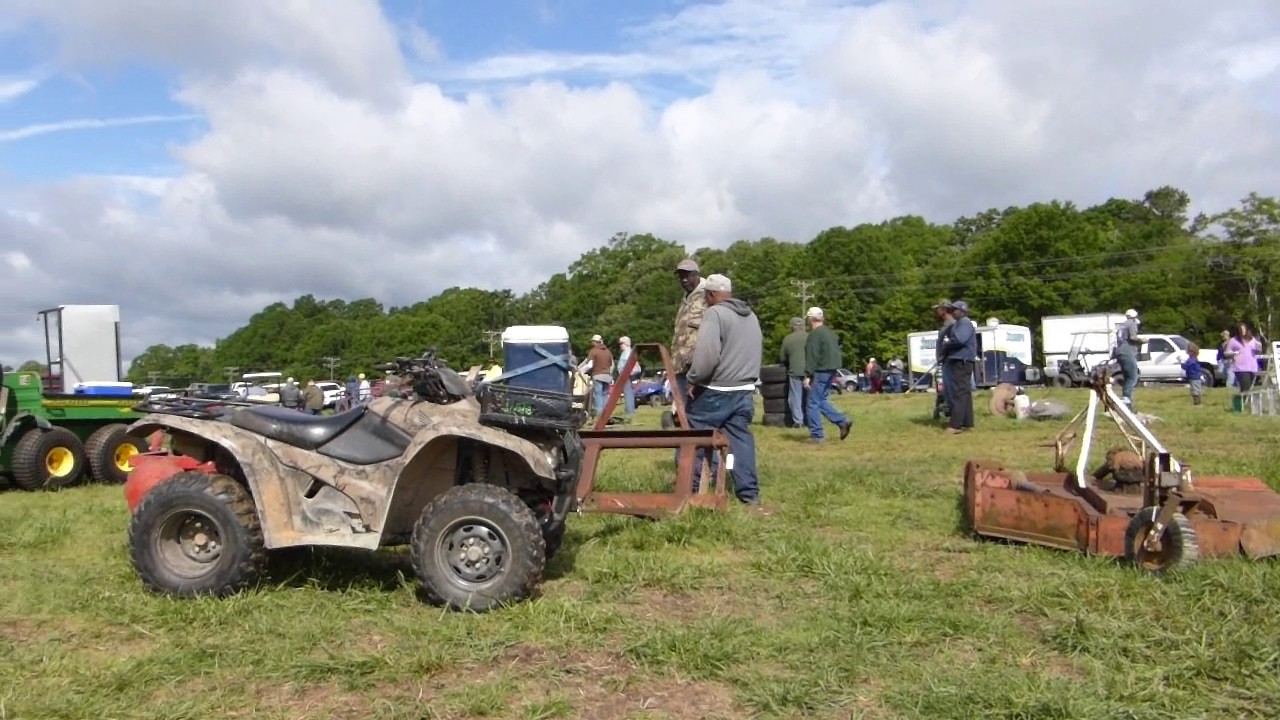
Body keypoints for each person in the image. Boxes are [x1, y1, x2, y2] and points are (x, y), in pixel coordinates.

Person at [685, 274, 764, 508]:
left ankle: (691, 489)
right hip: (744, 389)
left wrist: (693, 379)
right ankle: (749, 494)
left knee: (693, 436)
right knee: (741, 440)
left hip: (717, 389)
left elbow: (707, 355)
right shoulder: (751, 316)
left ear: (710, 295)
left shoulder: (715, 313)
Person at [802, 306, 852, 443]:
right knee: (821, 400)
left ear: (811, 319)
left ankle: (817, 436)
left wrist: (807, 376)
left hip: (820, 370)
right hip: (832, 370)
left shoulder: (814, 335)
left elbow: (812, 356)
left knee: (812, 403)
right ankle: (842, 421)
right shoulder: (830, 333)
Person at [670, 258, 708, 414]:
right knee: (683, 409)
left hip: (699, 364)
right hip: (680, 364)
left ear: (697, 274)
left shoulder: (707, 295)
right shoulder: (685, 299)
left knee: (699, 407)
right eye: (681, 276)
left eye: (688, 275)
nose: (684, 279)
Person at [939, 300, 976, 434]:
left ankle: (956, 425)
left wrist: (947, 344)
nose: (952, 312)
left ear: (962, 311)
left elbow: (960, 340)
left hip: (962, 360)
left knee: (958, 392)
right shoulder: (959, 323)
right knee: (964, 392)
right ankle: (968, 423)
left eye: (954, 310)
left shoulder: (965, 323)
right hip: (960, 360)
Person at [778, 317, 808, 428]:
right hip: (809, 372)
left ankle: (798, 421)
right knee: (809, 397)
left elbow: (782, 357)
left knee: (795, 397)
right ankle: (810, 419)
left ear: (792, 327)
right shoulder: (810, 337)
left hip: (794, 371)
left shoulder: (787, 339)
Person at [578, 334, 615, 416]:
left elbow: (589, 365)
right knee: (605, 395)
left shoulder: (594, 351)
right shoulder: (608, 351)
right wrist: (610, 374)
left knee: (597, 396)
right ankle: (606, 415)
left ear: (595, 342)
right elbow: (612, 364)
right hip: (607, 376)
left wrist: (580, 371)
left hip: (598, 376)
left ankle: (599, 415)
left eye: (592, 342)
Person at [1113, 309, 1143, 408]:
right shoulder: (1132, 324)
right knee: (1133, 377)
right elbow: (1133, 337)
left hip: (1120, 352)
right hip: (1128, 352)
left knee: (1127, 377)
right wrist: (1142, 340)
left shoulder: (1122, 325)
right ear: (1134, 316)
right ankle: (1127, 401)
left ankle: (1126, 400)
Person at [932, 300, 956, 418]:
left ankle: (950, 410)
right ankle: (945, 408)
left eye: (938, 308)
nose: (936, 311)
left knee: (949, 387)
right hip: (944, 361)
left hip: (949, 361)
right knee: (943, 387)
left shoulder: (951, 324)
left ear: (944, 309)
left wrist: (943, 355)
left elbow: (950, 342)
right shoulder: (946, 324)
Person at [1225, 323, 1264, 394]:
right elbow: (1226, 353)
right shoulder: (1233, 340)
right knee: (1246, 388)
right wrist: (1233, 353)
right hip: (1240, 368)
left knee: (1250, 388)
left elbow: (1258, 351)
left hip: (1252, 367)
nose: (1243, 331)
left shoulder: (1252, 339)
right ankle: (1245, 403)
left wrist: (1259, 348)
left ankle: (1243, 403)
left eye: (1244, 329)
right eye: (1240, 330)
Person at [616, 336, 639, 419]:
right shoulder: (628, 351)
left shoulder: (627, 352)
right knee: (628, 392)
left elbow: (626, 363)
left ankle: (629, 411)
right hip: (626, 375)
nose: (620, 345)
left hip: (626, 375)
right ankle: (629, 409)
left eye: (621, 343)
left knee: (628, 392)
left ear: (626, 343)